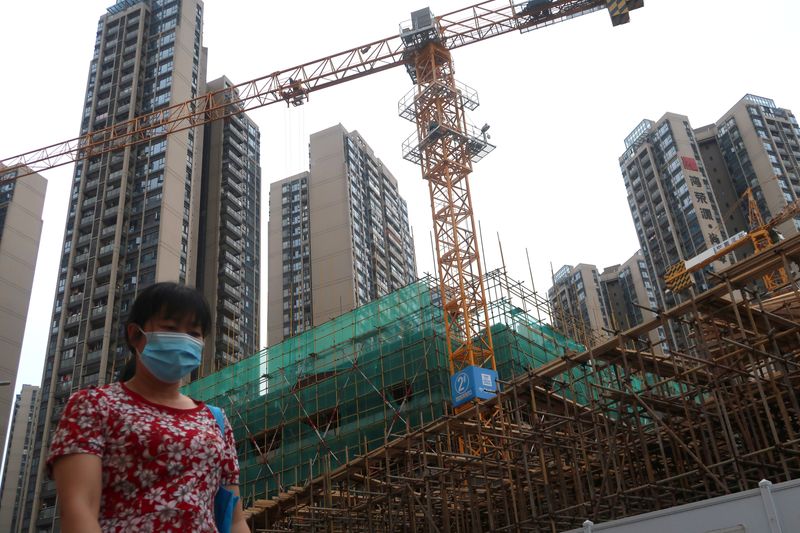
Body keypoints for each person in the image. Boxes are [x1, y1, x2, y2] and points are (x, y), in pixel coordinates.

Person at [48, 282, 249, 533]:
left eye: (194, 333)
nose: (184, 340)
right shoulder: (93, 406)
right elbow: (79, 508)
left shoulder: (215, 419)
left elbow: (235, 520)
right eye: (171, 328)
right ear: (135, 334)